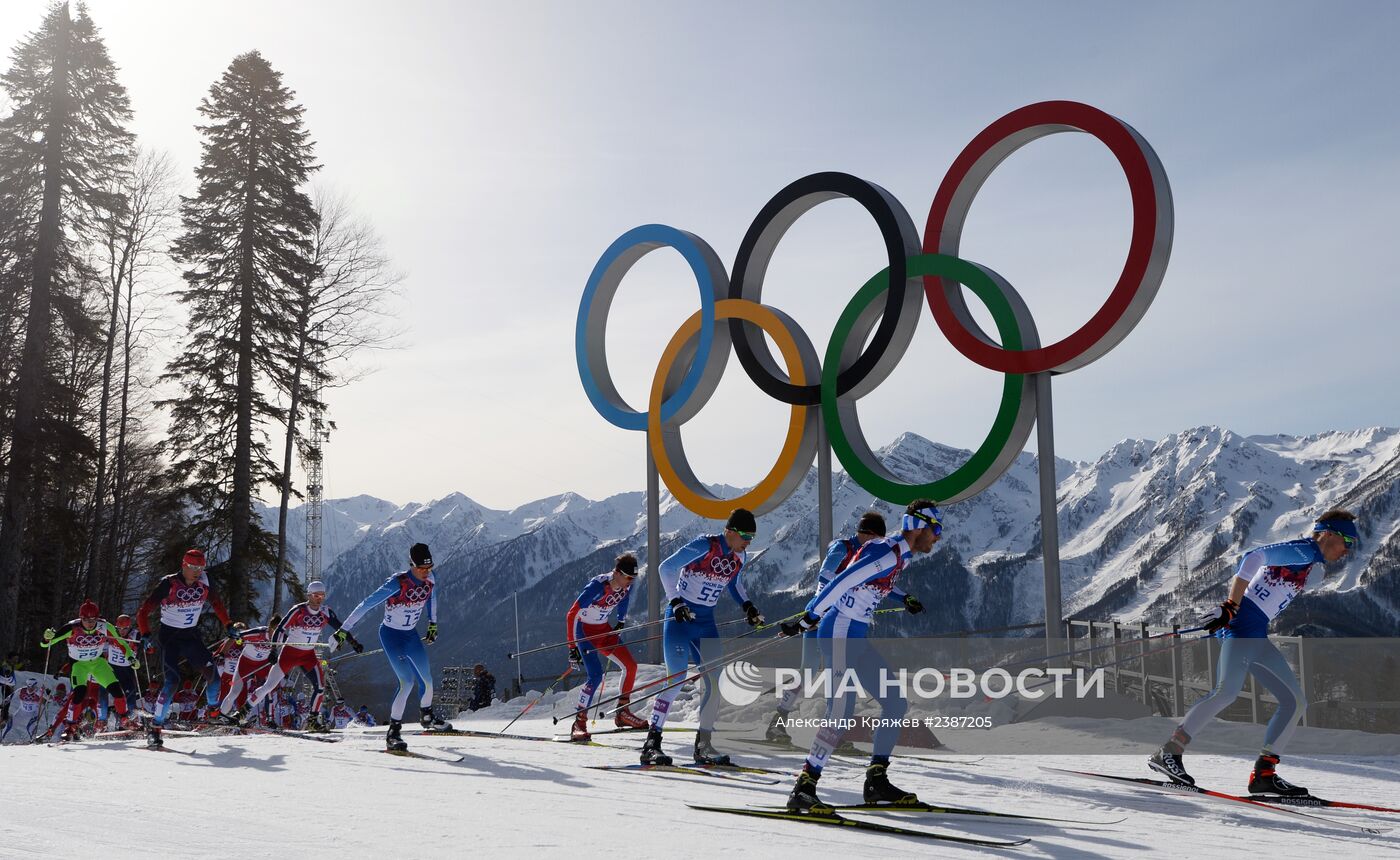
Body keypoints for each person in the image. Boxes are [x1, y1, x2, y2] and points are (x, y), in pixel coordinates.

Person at [1149, 510, 1360, 797]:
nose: (1348, 548)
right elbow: (1253, 557)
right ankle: (1169, 752)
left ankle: (1264, 775)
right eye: (1346, 539)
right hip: (1241, 626)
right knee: (1227, 691)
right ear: (1328, 533)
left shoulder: (1312, 563)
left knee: (1294, 701)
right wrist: (1230, 606)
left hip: (1256, 633)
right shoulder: (1304, 550)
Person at [781, 500, 943, 813]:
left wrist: (903, 597)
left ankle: (876, 781)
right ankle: (804, 786)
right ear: (919, 526)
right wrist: (810, 616)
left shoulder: (899, 555)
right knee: (841, 710)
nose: (937, 537)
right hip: (838, 631)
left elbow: (867, 582)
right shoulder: (886, 551)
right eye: (935, 530)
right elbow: (843, 580)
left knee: (895, 701)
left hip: (855, 635)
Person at [765, 512, 919, 744]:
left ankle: (835, 732)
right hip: (820, 614)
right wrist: (820, 610)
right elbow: (826, 576)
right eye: (876, 537)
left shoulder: (876, 552)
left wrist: (905, 597)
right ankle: (779, 721)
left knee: (840, 677)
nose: (878, 543)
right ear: (867, 533)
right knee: (808, 670)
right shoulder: (843, 546)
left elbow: (880, 581)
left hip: (839, 617)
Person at [640, 508, 766, 767]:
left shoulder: (740, 555)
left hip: (706, 622)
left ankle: (704, 746)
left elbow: (735, 583)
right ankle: (651, 745)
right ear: (729, 531)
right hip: (680, 619)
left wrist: (748, 606)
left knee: (716, 682)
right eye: (744, 535)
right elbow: (666, 568)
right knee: (675, 680)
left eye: (752, 537)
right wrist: (675, 602)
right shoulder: (705, 545)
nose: (748, 541)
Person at [340, 542, 448, 751]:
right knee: (406, 682)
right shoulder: (397, 583)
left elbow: (432, 600)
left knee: (427, 679)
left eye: (429, 568)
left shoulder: (430, 580)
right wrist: (344, 629)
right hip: (391, 635)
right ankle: (393, 732)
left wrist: (433, 623)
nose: (426, 572)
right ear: (412, 564)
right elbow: (366, 604)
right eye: (421, 568)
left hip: (411, 635)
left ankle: (426, 716)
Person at [136, 548, 235, 747]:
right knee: (172, 681)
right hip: (170, 636)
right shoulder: (169, 583)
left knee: (213, 675)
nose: (197, 571)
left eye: (201, 567)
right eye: (193, 567)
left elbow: (217, 604)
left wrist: (229, 625)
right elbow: (143, 612)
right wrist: (145, 634)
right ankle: (155, 728)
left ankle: (214, 712)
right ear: (184, 565)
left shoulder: (205, 582)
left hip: (191, 635)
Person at [232, 581, 357, 733]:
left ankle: (312, 720)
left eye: (322, 595)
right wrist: (273, 650)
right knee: (269, 686)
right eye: (316, 595)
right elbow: (280, 629)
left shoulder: (326, 611)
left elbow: (340, 627)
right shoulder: (298, 610)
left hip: (308, 655)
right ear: (309, 595)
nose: (319, 599)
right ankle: (242, 712)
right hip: (289, 653)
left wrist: (353, 641)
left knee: (320, 687)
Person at [565, 553, 645, 740]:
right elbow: (571, 614)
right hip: (584, 632)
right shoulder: (598, 586)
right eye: (627, 577)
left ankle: (622, 713)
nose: (630, 582)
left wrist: (621, 621)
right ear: (616, 572)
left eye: (633, 578)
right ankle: (579, 723)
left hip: (604, 631)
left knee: (631, 666)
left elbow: (623, 600)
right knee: (595, 676)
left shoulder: (625, 586)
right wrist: (572, 647)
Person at [38, 600, 138, 742]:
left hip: (98, 663)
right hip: (79, 665)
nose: (90, 623)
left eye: (93, 619)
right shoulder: (71, 628)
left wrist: (131, 658)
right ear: (81, 618)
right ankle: (70, 728)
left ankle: (124, 718)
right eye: (86, 619)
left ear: (97, 618)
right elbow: (45, 644)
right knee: (78, 694)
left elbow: (120, 642)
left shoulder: (105, 626)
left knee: (117, 690)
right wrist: (46, 637)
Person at [217, 618, 278, 717]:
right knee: (233, 692)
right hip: (241, 667)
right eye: (238, 629)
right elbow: (234, 639)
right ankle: (221, 715)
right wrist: (221, 655)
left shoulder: (279, 636)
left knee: (268, 689)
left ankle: (266, 718)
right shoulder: (255, 633)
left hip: (261, 665)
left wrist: (276, 656)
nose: (275, 635)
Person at [96, 613, 142, 731]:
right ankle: (102, 720)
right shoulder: (111, 632)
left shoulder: (136, 634)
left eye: (125, 628)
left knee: (131, 694)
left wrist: (147, 647)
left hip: (126, 670)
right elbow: (102, 645)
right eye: (119, 629)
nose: (122, 631)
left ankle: (132, 720)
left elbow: (144, 645)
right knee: (102, 691)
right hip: (111, 668)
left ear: (129, 627)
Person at [1, 678, 44, 743]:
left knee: (30, 727)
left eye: (32, 687)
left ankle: (34, 740)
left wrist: (46, 693)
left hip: (34, 713)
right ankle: (0, 739)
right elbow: (10, 697)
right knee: (9, 725)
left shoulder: (39, 691)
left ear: (35, 686)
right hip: (21, 712)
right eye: (28, 687)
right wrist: (3, 704)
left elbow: (49, 700)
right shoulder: (21, 690)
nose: (30, 689)